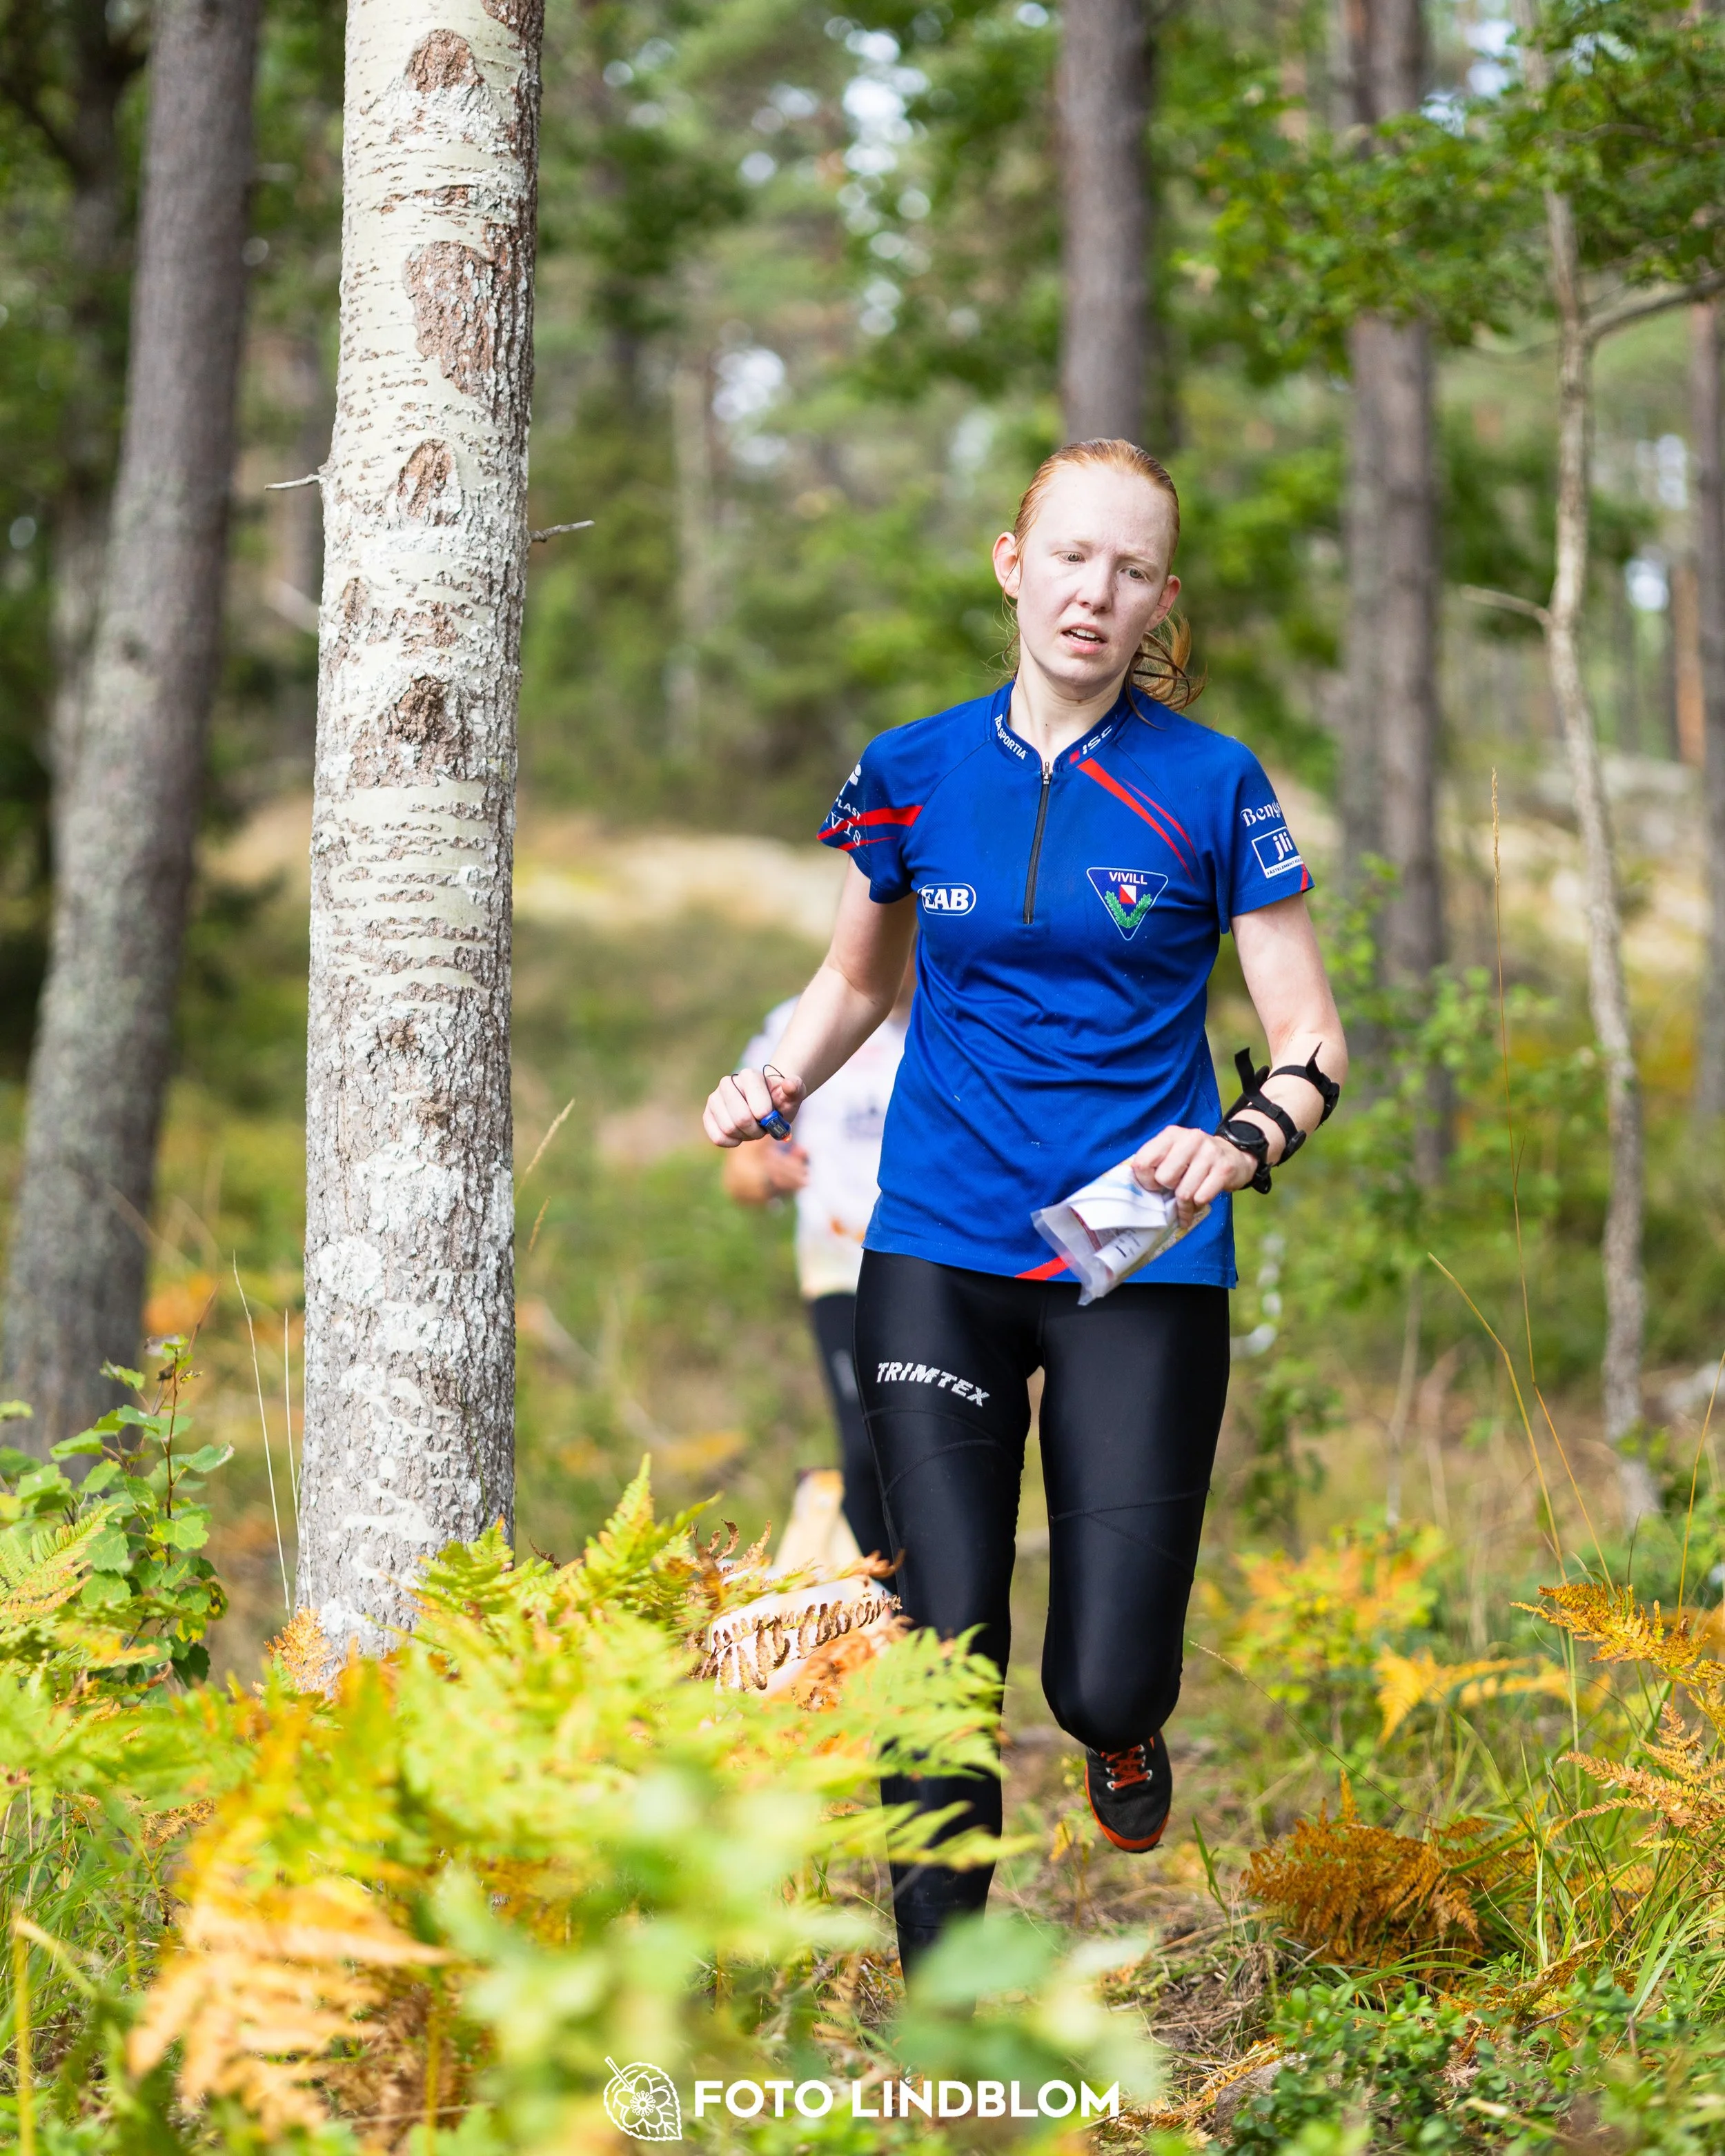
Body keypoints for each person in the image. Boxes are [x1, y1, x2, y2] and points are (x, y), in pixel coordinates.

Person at [702, 438, 1348, 1976]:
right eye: (1069, 556)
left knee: (1104, 1674)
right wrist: (771, 1082)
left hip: (1139, 1252)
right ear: (1012, 562)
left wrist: (1247, 1135)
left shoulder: (1210, 783)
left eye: (1128, 569)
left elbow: (1311, 1033)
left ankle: (1124, 1736)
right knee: (941, 1644)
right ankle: (944, 2012)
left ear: (1158, 600)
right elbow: (857, 978)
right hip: (932, 1242)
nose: (1093, 591)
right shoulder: (909, 768)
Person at [721, 960, 913, 1566]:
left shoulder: (962, 1015)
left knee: (924, 1447)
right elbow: (740, 1174)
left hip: (934, 1267)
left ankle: (923, 1621)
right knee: (866, 1444)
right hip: (840, 1270)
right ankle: (870, 1618)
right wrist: (769, 1173)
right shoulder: (799, 1029)